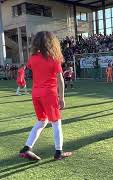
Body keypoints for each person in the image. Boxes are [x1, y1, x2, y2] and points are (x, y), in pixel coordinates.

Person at [19, 31, 72, 161]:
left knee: (42, 121)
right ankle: (58, 152)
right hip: (49, 94)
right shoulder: (54, 58)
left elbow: (29, 67)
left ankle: (26, 148)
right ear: (52, 43)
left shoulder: (33, 58)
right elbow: (60, 80)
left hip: (36, 94)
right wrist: (62, 98)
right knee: (56, 123)